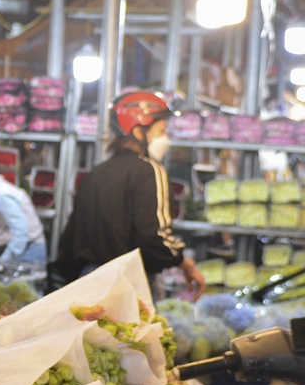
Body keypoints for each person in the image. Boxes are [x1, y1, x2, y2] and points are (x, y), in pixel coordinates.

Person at [56, 91, 206, 296]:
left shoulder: (97, 172)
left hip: (87, 282)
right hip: (127, 284)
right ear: (138, 132)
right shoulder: (150, 170)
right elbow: (154, 235)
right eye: (162, 130)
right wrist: (182, 262)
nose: (166, 140)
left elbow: (70, 237)